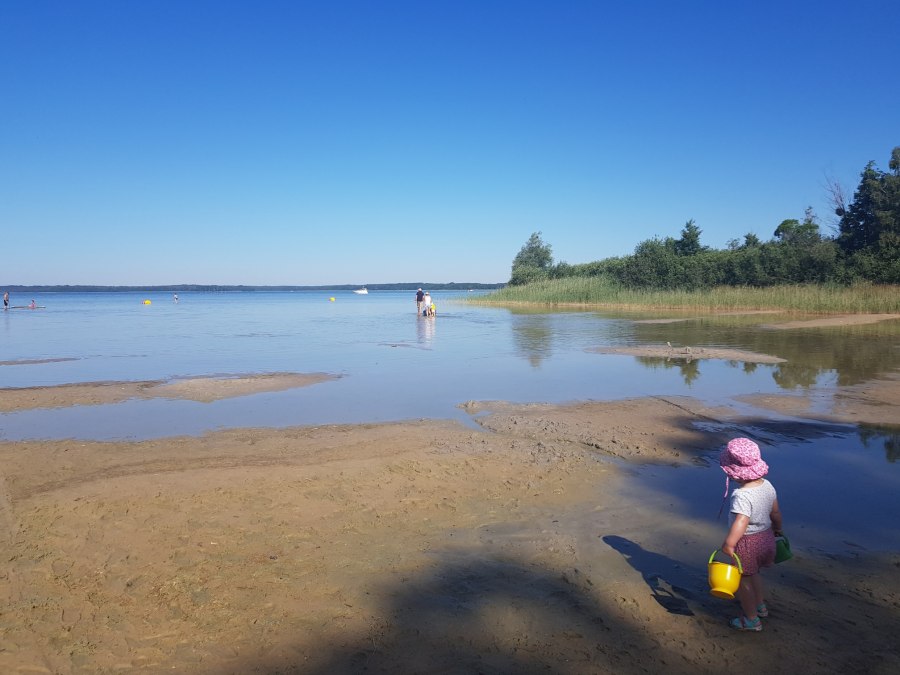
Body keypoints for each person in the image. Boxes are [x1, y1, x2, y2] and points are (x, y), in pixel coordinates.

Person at [719, 437, 783, 632]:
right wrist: (778, 528)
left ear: (736, 473)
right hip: (766, 538)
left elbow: (741, 521)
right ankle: (760, 605)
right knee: (753, 573)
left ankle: (752, 619)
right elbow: (775, 512)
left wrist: (730, 543)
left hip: (747, 542)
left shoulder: (742, 495)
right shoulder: (767, 485)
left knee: (741, 580)